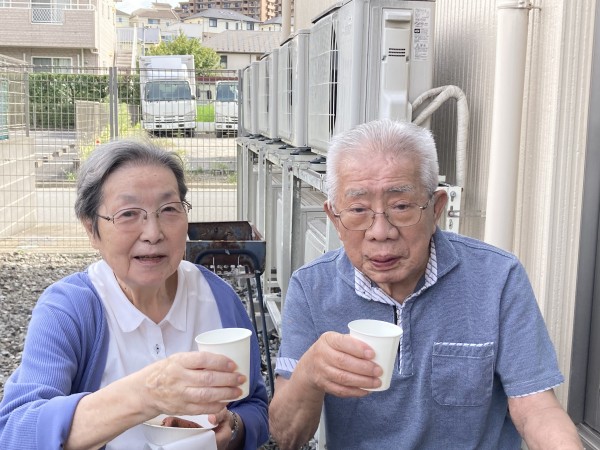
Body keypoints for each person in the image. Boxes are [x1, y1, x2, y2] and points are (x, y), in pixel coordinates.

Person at [269, 119, 582, 449]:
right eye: (358, 209)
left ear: (436, 209)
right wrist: (310, 373)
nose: (380, 232)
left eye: (401, 206)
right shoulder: (312, 287)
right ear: (335, 218)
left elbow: (536, 409)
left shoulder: (497, 277)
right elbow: (287, 436)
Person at [0, 140, 269, 450]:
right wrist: (148, 393)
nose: (153, 233)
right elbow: (16, 431)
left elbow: (254, 406)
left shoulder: (217, 297)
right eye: (128, 213)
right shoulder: (69, 309)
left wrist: (232, 429)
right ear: (91, 229)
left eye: (169, 209)